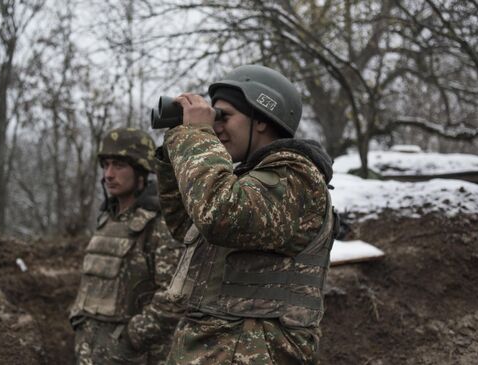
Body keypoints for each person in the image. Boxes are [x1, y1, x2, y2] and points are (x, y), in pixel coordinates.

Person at [154, 65, 338, 364]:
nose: (215, 126)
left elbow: (219, 214)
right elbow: (188, 225)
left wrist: (197, 136)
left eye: (223, 116)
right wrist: (178, 144)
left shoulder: (296, 178)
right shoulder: (246, 182)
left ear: (262, 119)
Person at [69, 127, 183, 365]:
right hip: (92, 353)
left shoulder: (159, 224)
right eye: (105, 165)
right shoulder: (106, 220)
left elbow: (174, 299)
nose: (108, 174)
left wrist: (131, 338)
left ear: (141, 171)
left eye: (119, 166)